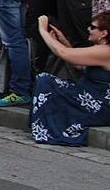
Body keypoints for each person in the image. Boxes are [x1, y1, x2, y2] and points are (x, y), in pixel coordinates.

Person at [30, 13, 110, 146]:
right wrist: (63, 40)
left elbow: (64, 54)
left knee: (45, 80)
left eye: (92, 27)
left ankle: (50, 130)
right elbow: (78, 64)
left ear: (104, 33)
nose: (88, 29)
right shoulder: (100, 50)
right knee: (49, 82)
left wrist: (42, 30)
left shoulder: (105, 51)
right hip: (91, 96)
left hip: (99, 104)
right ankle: (49, 126)